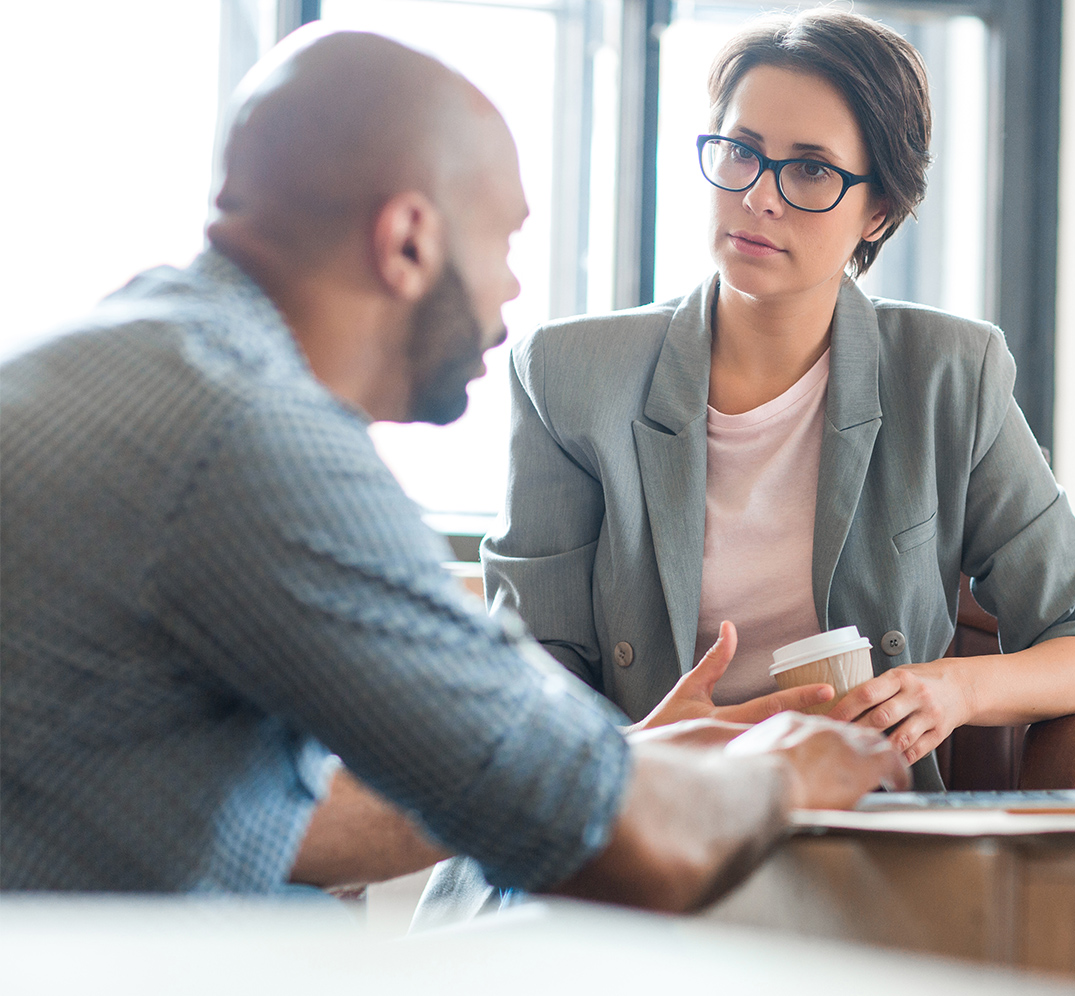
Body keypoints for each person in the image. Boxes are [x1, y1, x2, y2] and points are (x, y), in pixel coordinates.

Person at [0, 26, 906, 907]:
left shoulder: (131, 356)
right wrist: (790, 775)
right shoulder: (259, 444)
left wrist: (620, 758)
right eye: (504, 243)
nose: (514, 291)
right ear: (407, 242)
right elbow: (626, 850)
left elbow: (292, 819)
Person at [485, 8, 1075, 792]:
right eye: (740, 152)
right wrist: (642, 746)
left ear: (879, 211)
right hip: (636, 819)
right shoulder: (569, 375)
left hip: (861, 834)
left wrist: (956, 689)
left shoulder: (948, 374)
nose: (760, 197)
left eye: (809, 170)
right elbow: (524, 681)